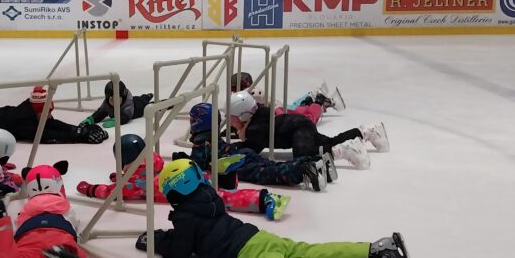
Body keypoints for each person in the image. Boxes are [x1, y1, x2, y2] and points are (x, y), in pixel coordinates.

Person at [135, 159, 412, 258]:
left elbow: (181, 250)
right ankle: (373, 251)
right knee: (308, 251)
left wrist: (155, 240)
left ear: (174, 192)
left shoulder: (184, 217)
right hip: (257, 236)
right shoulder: (210, 198)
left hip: (245, 253)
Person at [76, 134, 291, 220]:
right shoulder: (154, 161)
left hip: (181, 188)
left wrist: (89, 188)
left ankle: (263, 200)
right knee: (209, 180)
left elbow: (112, 192)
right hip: (181, 171)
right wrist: (120, 176)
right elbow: (135, 176)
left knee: (220, 198)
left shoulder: (133, 185)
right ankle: (223, 175)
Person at [0, 161, 88, 258]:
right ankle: (66, 254)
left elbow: (19, 221)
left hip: (29, 233)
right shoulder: (62, 203)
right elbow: (71, 219)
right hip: (58, 230)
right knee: (76, 252)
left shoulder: (28, 206)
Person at [187, 103, 332, 191]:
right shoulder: (213, 136)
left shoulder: (201, 142)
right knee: (271, 165)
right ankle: (313, 162)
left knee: (268, 173)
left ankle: (303, 169)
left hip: (233, 162)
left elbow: (196, 166)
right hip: (239, 152)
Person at [227, 91, 389, 166]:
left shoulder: (254, 129)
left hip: (299, 129)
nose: (229, 121)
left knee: (302, 155)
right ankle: (366, 132)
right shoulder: (259, 114)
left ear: (244, 115)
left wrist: (228, 148)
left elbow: (251, 148)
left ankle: (342, 151)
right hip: (301, 124)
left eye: (232, 117)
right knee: (329, 141)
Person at [79, 80, 154, 128]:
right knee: (140, 98)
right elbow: (100, 112)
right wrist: (91, 119)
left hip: (138, 106)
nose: (114, 101)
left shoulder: (128, 104)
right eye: (111, 98)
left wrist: (115, 121)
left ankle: (148, 96)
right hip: (135, 99)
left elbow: (126, 116)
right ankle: (146, 96)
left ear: (123, 97)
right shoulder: (107, 103)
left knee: (144, 102)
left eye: (117, 98)